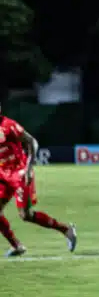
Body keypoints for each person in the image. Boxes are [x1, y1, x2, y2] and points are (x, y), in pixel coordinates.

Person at [0, 102, 77, 257]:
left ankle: (66, 230)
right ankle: (17, 246)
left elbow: (32, 142)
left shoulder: (9, 125)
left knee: (26, 215)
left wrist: (28, 168)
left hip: (20, 173)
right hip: (3, 174)